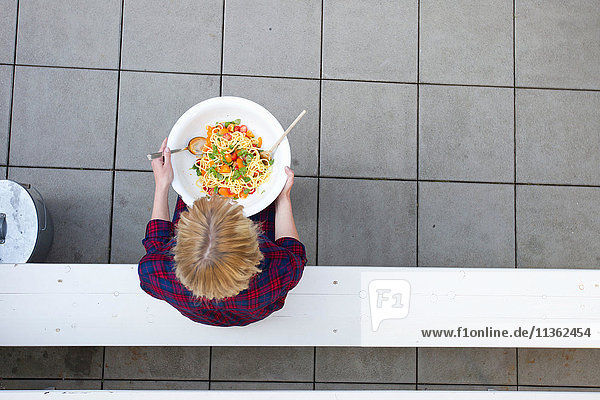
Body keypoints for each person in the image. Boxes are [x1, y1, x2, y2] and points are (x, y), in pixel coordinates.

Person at [138, 138, 307, 326]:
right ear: (254, 245)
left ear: (176, 249)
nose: (216, 197)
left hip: (199, 312)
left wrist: (162, 185)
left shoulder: (153, 271)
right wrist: (282, 199)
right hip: (254, 309)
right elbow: (292, 249)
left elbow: (156, 240)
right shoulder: (280, 271)